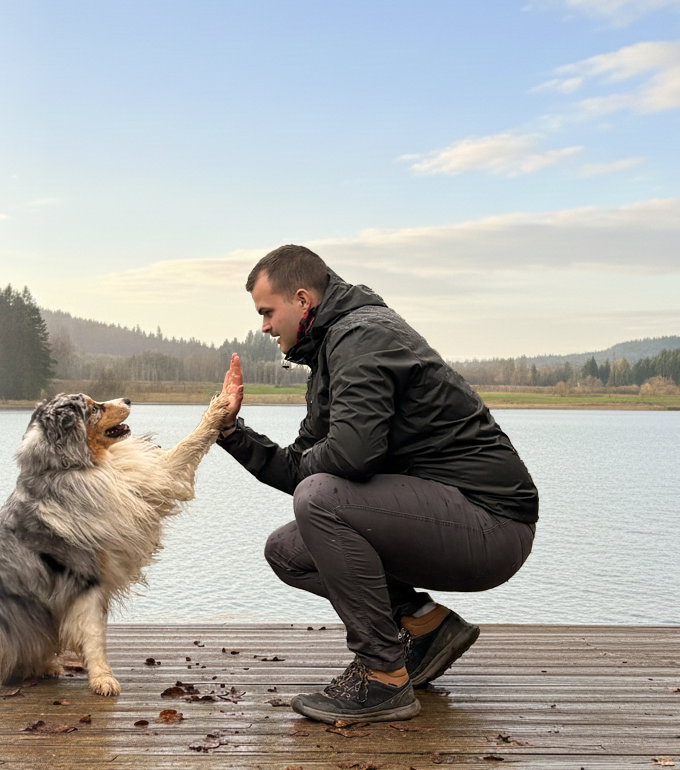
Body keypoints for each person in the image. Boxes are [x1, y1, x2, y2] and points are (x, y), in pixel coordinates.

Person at [214, 245, 538, 724]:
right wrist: (230, 432)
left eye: (267, 311)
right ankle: (425, 625)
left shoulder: (361, 337)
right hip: (451, 518)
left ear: (302, 300)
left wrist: (311, 474)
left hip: (492, 524)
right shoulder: (332, 350)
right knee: (286, 549)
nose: (263, 325)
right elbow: (303, 469)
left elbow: (349, 456)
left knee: (319, 498)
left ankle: (383, 677)